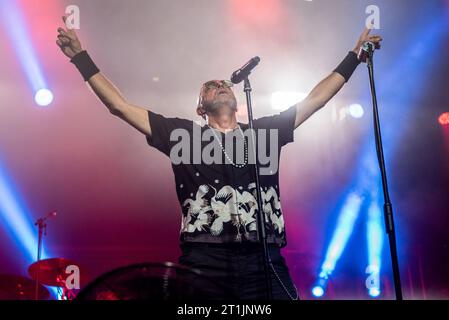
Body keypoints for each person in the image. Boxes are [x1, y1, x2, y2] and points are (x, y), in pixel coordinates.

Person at [56, 16, 382, 300]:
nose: (220, 85)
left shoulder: (264, 131)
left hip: (264, 258)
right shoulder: (182, 135)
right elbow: (120, 106)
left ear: (238, 99)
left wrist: (354, 57)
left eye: (224, 84)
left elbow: (316, 100)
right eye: (210, 86)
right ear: (200, 107)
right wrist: (81, 58)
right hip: (205, 258)